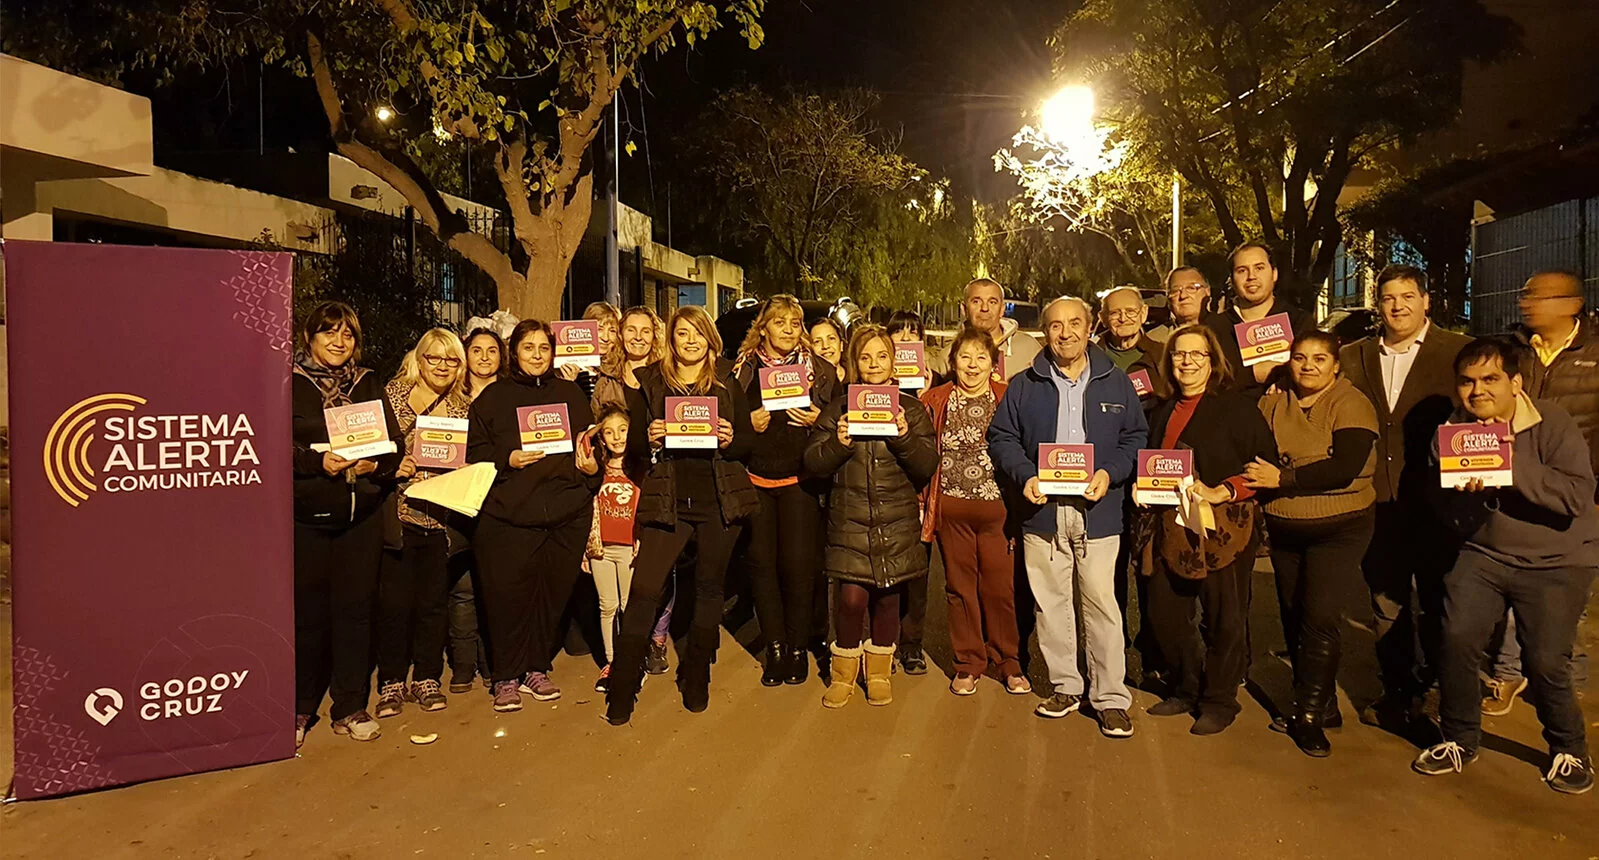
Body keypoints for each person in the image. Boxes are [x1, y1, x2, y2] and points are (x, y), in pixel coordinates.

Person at [1412, 338, 1598, 795]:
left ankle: (1568, 748)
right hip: (1485, 554)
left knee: (1545, 660)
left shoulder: (1551, 421)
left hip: (1558, 558)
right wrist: (1467, 499)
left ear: (1515, 383)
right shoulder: (1452, 433)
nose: (1478, 391)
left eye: (1490, 379)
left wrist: (1511, 466)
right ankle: (1458, 738)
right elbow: (1440, 507)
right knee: (1455, 638)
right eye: (1468, 381)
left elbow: (1576, 496)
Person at [989, 298, 1147, 736]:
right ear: (1044, 332)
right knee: (1051, 604)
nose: (1066, 333)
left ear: (1090, 326)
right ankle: (1065, 686)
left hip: (1099, 511)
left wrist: (1109, 472)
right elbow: (1002, 437)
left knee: (1102, 605)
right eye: (1055, 326)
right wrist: (1025, 475)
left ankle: (1110, 697)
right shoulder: (1025, 384)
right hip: (1043, 514)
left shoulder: (1117, 383)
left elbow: (1136, 437)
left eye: (1075, 323)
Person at [605, 306, 758, 724]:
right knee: (644, 590)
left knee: (709, 590)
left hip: (717, 501)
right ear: (670, 340)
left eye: (698, 334)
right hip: (668, 501)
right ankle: (622, 686)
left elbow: (747, 443)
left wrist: (730, 438)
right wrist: (648, 435)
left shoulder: (727, 380)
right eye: (681, 334)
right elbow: (634, 443)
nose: (690, 341)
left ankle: (696, 677)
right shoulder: (650, 381)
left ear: (710, 339)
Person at [1338, 265, 1471, 731]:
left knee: (1441, 604)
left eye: (1407, 296)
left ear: (1426, 300)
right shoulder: (1353, 356)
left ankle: (1442, 695)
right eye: (1389, 297)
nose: (1398, 306)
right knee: (1385, 604)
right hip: (1376, 499)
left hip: (1438, 501)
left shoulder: (1458, 352)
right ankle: (1398, 692)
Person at [1243, 331, 1378, 756]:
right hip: (1285, 525)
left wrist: (1284, 477)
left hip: (1339, 525)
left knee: (1319, 615)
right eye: (1300, 358)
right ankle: (1323, 703)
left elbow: (1344, 467)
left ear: (1336, 365)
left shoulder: (1350, 402)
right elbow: (1253, 440)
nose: (1308, 366)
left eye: (1320, 359)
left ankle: (1307, 715)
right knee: (1293, 610)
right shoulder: (1275, 397)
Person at [1142, 324, 1276, 735]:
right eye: (1179, 355)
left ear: (1212, 362)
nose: (1186, 362)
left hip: (1225, 531)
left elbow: (1265, 466)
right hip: (1172, 528)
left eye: (1196, 355)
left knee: (1225, 617)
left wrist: (1225, 490)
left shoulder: (1235, 409)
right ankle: (1186, 687)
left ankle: (1219, 700)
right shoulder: (1161, 409)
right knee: (1166, 612)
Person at [466, 320, 601, 713]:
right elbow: (472, 452)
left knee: (551, 596)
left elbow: (588, 449)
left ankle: (536, 668)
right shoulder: (492, 399)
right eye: (529, 348)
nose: (538, 355)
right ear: (515, 352)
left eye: (544, 348)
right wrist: (506, 458)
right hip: (508, 517)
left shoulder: (571, 395)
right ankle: (505, 676)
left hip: (565, 514)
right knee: (507, 599)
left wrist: (590, 469)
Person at [1483, 270, 1599, 713]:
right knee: (1516, 577)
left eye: (1537, 296)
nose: (1525, 302)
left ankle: (1561, 675)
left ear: (1572, 304)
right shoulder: (1510, 350)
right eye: (1524, 293)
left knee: (1570, 589)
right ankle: (1510, 673)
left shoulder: (1594, 352)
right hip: (1516, 481)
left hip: (1579, 491)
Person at [806, 324, 938, 708]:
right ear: (855, 363)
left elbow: (927, 464)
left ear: (893, 360)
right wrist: (838, 442)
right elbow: (813, 462)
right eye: (865, 357)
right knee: (849, 600)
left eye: (882, 356)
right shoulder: (839, 407)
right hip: (849, 518)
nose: (874, 364)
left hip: (895, 519)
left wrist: (903, 436)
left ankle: (879, 670)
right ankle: (844, 673)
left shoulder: (910, 409)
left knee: (887, 598)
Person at [291, 301, 403, 746]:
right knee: (309, 617)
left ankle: (350, 705)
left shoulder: (367, 382)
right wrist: (318, 462)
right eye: (329, 333)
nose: (339, 342)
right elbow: (272, 444)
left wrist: (376, 464)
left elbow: (394, 445)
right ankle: (299, 708)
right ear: (309, 337)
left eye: (348, 335)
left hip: (363, 517)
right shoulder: (287, 383)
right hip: (308, 518)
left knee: (356, 614)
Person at [731, 295, 837, 686]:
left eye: (795, 324)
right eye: (780, 323)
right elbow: (728, 425)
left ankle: (796, 649)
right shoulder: (743, 369)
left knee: (797, 568)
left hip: (799, 483)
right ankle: (774, 649)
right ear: (764, 327)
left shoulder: (820, 371)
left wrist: (818, 419)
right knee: (762, 567)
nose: (789, 330)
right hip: (757, 481)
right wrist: (748, 423)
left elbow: (837, 420)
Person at [374, 328, 474, 719]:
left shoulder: (462, 407)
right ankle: (392, 681)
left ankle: (427, 676)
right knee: (395, 604)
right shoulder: (391, 396)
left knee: (433, 604)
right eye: (434, 358)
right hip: (396, 515)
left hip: (438, 517)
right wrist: (392, 464)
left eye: (451, 360)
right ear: (419, 358)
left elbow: (467, 457)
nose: (443, 366)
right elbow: (373, 447)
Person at [920, 326, 1025, 696]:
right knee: (960, 588)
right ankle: (967, 663)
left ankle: (1008, 662)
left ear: (993, 363)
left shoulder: (1008, 397)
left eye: (981, 357)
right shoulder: (934, 399)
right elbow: (921, 451)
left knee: (999, 589)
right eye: (965, 357)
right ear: (953, 362)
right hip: (951, 508)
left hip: (997, 510)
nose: (973, 365)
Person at [445, 328, 504, 694]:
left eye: (492, 351)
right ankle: (464, 665)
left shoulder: (512, 397)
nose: (484, 357)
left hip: (498, 500)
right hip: (457, 499)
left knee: (495, 587)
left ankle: (493, 663)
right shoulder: (450, 397)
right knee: (463, 588)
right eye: (477, 350)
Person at [1205, 243, 1318, 401]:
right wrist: (1253, 374)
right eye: (1242, 270)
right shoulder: (1214, 328)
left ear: (1274, 274)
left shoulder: (1299, 321)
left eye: (1259, 268)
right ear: (1231, 280)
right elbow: (1208, 380)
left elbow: (1312, 374)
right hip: (1231, 417)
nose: (1251, 276)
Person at [887, 309, 933, 674]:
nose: (905, 341)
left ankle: (912, 644)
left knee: (917, 571)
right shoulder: (871, 380)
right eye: (898, 334)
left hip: (920, 488)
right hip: (882, 486)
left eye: (912, 334)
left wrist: (927, 394)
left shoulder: (934, 381)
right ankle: (879, 644)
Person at [584, 405, 642, 693]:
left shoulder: (641, 467)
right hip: (602, 549)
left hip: (630, 549)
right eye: (609, 432)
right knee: (607, 606)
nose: (617, 437)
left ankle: (633, 661)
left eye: (623, 429)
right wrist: (587, 549)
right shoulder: (596, 469)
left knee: (628, 606)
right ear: (601, 437)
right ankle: (610, 662)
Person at [956, 277, 1042, 382]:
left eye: (992, 302)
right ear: (964, 309)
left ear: (1002, 309)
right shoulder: (950, 353)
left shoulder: (1030, 348)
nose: (984, 308)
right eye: (976, 301)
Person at [1097, 286, 1167, 402]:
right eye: (1114, 313)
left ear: (1143, 313)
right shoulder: (1090, 355)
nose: (1123, 319)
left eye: (1131, 312)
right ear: (1103, 318)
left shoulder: (1161, 355)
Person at [560, 301, 621, 401]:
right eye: (599, 329)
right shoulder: (569, 367)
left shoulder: (619, 369)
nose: (606, 337)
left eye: (612, 331)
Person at [1148, 267, 1212, 343]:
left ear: (1207, 291)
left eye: (1191, 288)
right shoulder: (1153, 341)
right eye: (1175, 291)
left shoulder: (1225, 331)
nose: (1183, 296)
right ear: (1168, 297)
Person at [810, 317, 847, 383]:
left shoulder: (857, 379)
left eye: (831, 338)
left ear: (841, 345)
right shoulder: (808, 384)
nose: (825, 346)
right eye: (817, 341)